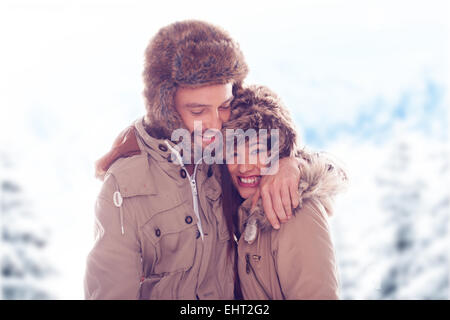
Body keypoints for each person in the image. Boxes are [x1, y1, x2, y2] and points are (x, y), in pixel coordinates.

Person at [84, 20, 302, 300]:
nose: (215, 124)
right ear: (167, 110)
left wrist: (289, 161)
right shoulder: (122, 187)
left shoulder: (229, 149)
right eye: (198, 111)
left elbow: (329, 171)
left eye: (223, 106)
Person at [221, 85, 348, 299]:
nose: (243, 167)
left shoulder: (297, 210)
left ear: (280, 151)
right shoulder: (240, 214)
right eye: (234, 153)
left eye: (257, 152)